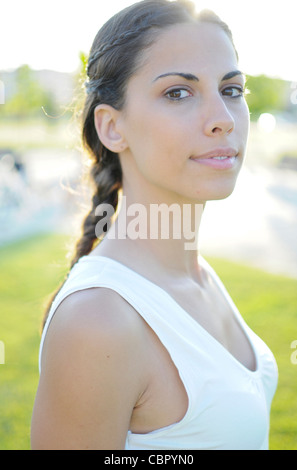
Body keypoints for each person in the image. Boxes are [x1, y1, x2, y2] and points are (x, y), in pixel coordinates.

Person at [31, 0, 278, 450]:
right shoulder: (99, 320)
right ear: (111, 127)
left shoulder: (198, 275)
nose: (223, 120)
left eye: (232, 90)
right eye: (178, 93)